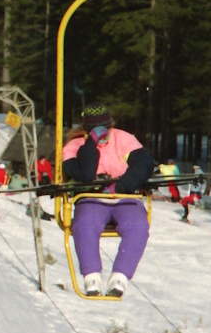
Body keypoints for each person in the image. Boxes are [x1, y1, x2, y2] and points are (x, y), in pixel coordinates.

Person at [61, 103, 153, 297]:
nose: (104, 135)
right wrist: (90, 145)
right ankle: (92, 276)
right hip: (92, 198)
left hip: (124, 195)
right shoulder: (74, 147)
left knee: (138, 224)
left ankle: (120, 277)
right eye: (96, 131)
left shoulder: (124, 139)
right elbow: (86, 174)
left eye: (106, 130)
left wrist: (121, 185)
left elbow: (144, 165)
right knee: (85, 223)